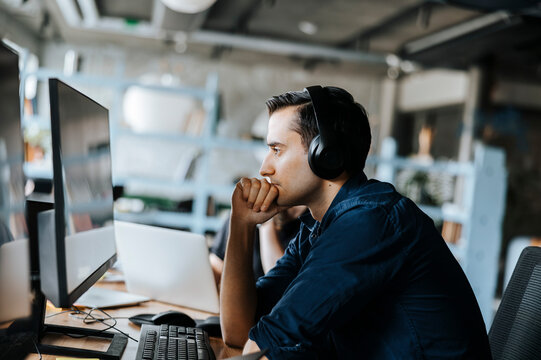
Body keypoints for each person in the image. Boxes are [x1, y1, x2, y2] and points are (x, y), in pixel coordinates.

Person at [219, 85, 492, 359]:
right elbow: (240, 333)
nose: (264, 167)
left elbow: (266, 344)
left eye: (276, 150)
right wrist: (241, 224)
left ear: (325, 154)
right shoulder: (318, 228)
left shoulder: (370, 221)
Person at [209, 205, 307, 288]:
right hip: (238, 305)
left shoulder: (313, 225)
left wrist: (266, 220)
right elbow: (217, 264)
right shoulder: (245, 209)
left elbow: (279, 279)